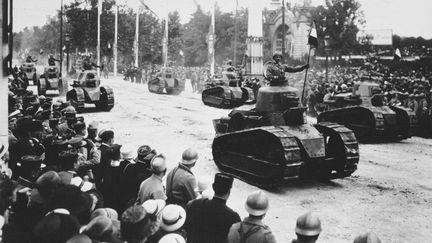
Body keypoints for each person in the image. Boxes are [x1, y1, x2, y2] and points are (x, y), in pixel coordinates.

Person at [185, 173, 241, 243]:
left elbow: (187, 228)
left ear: (213, 187)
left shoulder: (196, 204)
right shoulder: (233, 217)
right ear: (229, 191)